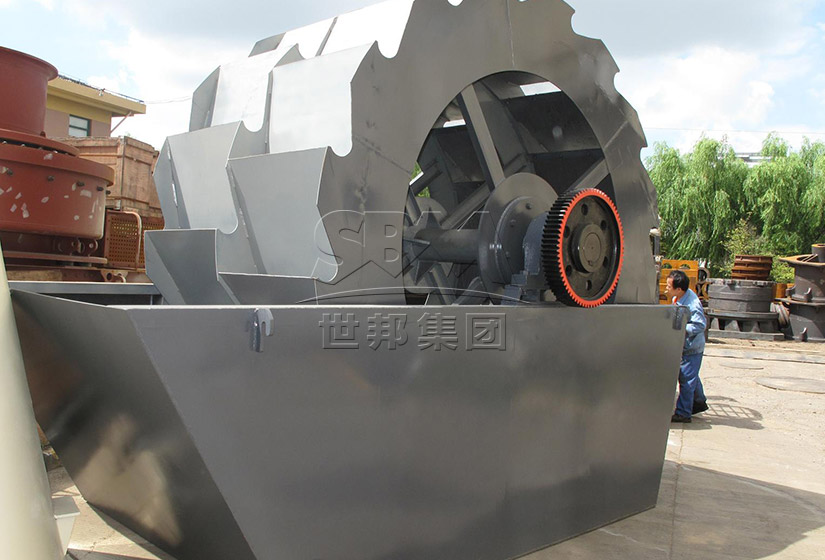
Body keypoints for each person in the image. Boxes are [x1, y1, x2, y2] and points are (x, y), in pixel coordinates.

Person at [665, 269, 708, 423]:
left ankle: (683, 413)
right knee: (690, 375)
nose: (666, 288)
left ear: (679, 289)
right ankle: (698, 401)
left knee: (686, 379)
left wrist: (681, 328)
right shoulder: (678, 297)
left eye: (669, 286)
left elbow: (700, 324)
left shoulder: (692, 304)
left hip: (692, 347)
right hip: (684, 345)